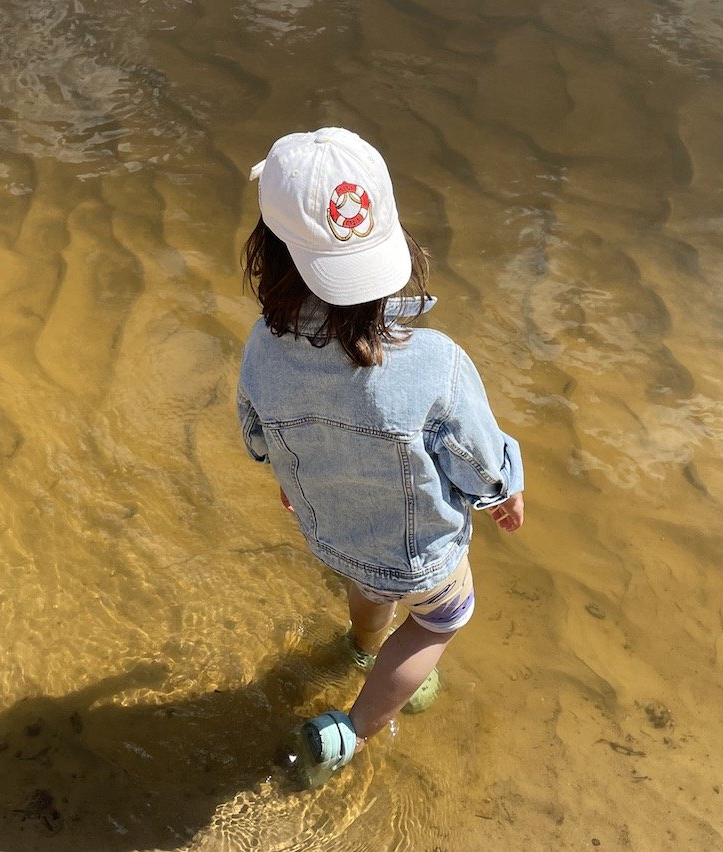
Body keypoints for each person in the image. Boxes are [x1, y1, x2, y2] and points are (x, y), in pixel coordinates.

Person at [236, 127, 524, 787]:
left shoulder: (261, 350)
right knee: (439, 621)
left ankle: (364, 646)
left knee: (367, 588)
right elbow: (476, 463)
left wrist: (288, 478)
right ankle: (354, 729)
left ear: (269, 257)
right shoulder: (437, 363)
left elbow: (257, 435)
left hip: (333, 532)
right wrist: (504, 489)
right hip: (420, 554)